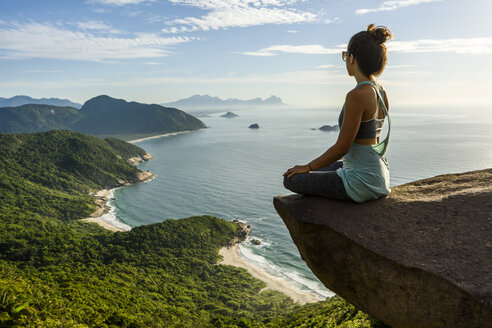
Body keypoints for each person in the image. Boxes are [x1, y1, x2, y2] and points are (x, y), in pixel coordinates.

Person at [283, 24, 393, 203]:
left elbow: (343, 148)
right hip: (378, 176)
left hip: (360, 183)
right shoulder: (381, 91)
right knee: (328, 168)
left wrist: (307, 167)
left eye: (345, 56)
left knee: (291, 178)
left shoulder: (356, 95)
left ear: (352, 58)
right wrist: (313, 168)